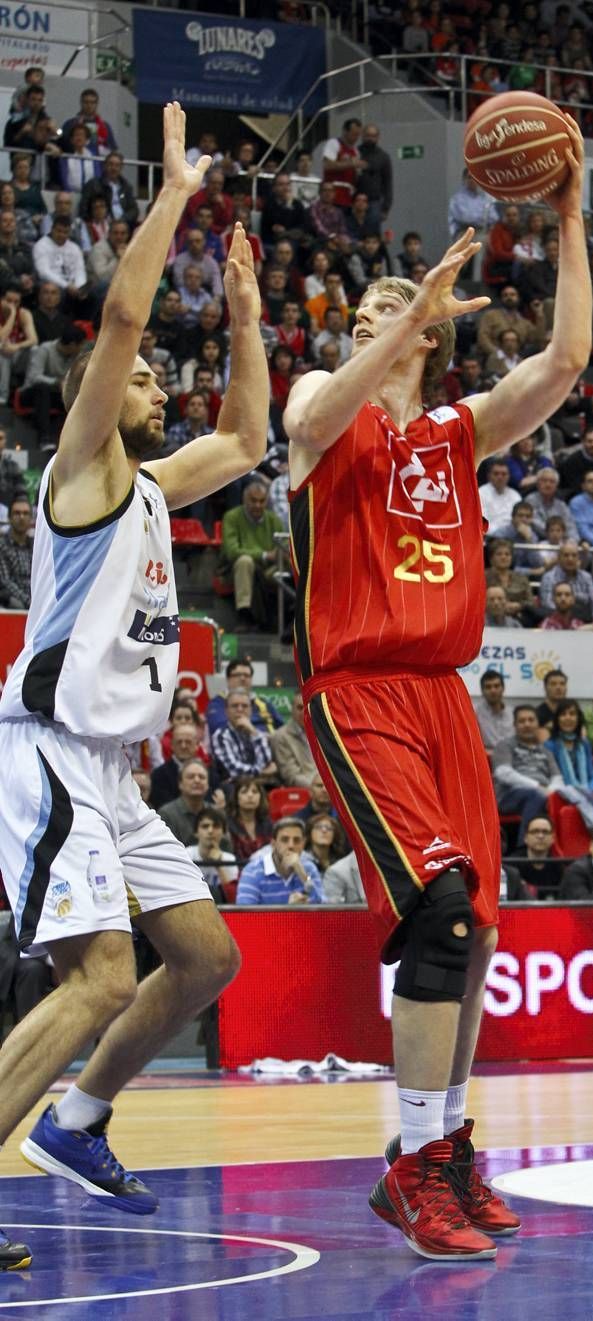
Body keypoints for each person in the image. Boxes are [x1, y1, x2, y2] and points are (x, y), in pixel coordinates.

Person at [282, 114, 590, 1259]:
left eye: (391, 314)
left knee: (478, 943)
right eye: (365, 314)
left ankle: (447, 1143)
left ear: (427, 345)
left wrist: (564, 222)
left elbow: (560, 364)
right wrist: (394, 323)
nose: (372, 323)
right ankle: (409, 1160)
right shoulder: (330, 405)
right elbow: (309, 415)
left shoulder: (454, 432)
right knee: (439, 913)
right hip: (357, 690)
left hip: (443, 698)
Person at [0, 105, 267, 1268]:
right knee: (100, 976)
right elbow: (118, 314)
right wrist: (171, 198)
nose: (157, 381)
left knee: (205, 957)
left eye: (163, 374)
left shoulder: (157, 484)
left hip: (113, 772)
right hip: (48, 745)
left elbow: (250, 438)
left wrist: (248, 319)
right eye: (146, 374)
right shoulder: (83, 471)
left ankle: (78, 1122)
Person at [492, 705, 562, 846]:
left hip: (542, 794)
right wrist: (538, 787)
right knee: (535, 796)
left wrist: (551, 791)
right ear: (515, 725)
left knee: (562, 799)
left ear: (538, 724)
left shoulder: (546, 751)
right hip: (508, 796)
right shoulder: (505, 745)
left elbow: (557, 778)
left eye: (531, 720)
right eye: (522, 721)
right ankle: (524, 848)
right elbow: (503, 773)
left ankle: (556, 849)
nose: (527, 724)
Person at [219, 479, 283, 631]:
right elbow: (232, 551)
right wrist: (264, 555)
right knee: (245, 562)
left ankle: (284, 618)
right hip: (232, 569)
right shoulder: (232, 517)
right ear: (244, 500)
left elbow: (283, 547)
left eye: (262, 501)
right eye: (253, 501)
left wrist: (275, 556)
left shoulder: (274, 519)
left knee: (282, 569)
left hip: (267, 569)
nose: (258, 505)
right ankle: (244, 614)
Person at [235, 816, 324, 904]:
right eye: (285, 840)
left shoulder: (309, 868)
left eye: (297, 840)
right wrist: (288, 911)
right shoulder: (253, 871)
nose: (291, 845)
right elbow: (244, 916)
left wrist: (302, 874)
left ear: (303, 844)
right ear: (273, 844)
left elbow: (324, 909)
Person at [545, 698, 593, 829]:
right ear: (557, 719)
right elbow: (554, 777)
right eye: (563, 714)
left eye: (572, 714)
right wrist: (576, 793)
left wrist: (587, 791)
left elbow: (592, 776)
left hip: (586, 792)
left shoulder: (584, 744)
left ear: (578, 718)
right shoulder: (549, 745)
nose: (568, 718)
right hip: (562, 794)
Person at [210, 689, 277, 785]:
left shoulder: (256, 733)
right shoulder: (220, 735)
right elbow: (234, 771)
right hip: (233, 789)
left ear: (251, 710)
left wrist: (254, 733)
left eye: (245, 706)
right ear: (226, 711)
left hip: (261, 787)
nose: (240, 709)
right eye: (235, 706)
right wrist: (263, 772)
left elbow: (266, 762)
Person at [539, 541, 593, 624]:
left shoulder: (587, 577)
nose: (570, 559)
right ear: (559, 558)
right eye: (566, 555)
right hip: (557, 624)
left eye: (574, 555)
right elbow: (548, 606)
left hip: (585, 625)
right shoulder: (548, 577)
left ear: (578, 558)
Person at [186, 806, 238, 904]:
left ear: (223, 833)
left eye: (216, 826)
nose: (210, 831)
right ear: (196, 832)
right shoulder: (186, 855)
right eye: (205, 826)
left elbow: (232, 900)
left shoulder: (230, 859)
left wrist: (220, 866)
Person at [504, 815, 562, 899]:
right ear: (525, 837)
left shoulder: (558, 867)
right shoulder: (512, 865)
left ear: (553, 838)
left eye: (545, 832)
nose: (540, 836)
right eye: (535, 831)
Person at [270, 691, 317, 787]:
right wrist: (318, 787)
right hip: (303, 791)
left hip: (325, 788)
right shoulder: (281, 736)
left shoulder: (321, 732)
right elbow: (291, 776)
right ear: (292, 709)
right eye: (300, 708)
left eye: (307, 707)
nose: (304, 712)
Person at [225, 775, 272, 862]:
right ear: (236, 797)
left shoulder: (267, 824)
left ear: (260, 797)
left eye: (254, 792)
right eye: (244, 792)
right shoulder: (227, 824)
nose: (250, 795)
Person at [0, 494, 33, 609]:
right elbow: (5, 581)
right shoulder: (2, 546)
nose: (21, 517)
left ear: (31, 519)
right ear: (9, 518)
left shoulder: (35, 547)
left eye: (25, 513)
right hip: (13, 606)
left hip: (37, 605)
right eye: (17, 513)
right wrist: (30, 602)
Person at [474, 668, 515, 750]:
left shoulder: (513, 713)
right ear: (482, 691)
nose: (493, 690)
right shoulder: (474, 712)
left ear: (503, 688)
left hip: (511, 757)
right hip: (486, 757)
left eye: (496, 686)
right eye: (488, 687)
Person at [534, 668, 568, 739]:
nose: (558, 687)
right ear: (545, 688)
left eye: (562, 684)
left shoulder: (574, 712)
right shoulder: (536, 714)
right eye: (553, 684)